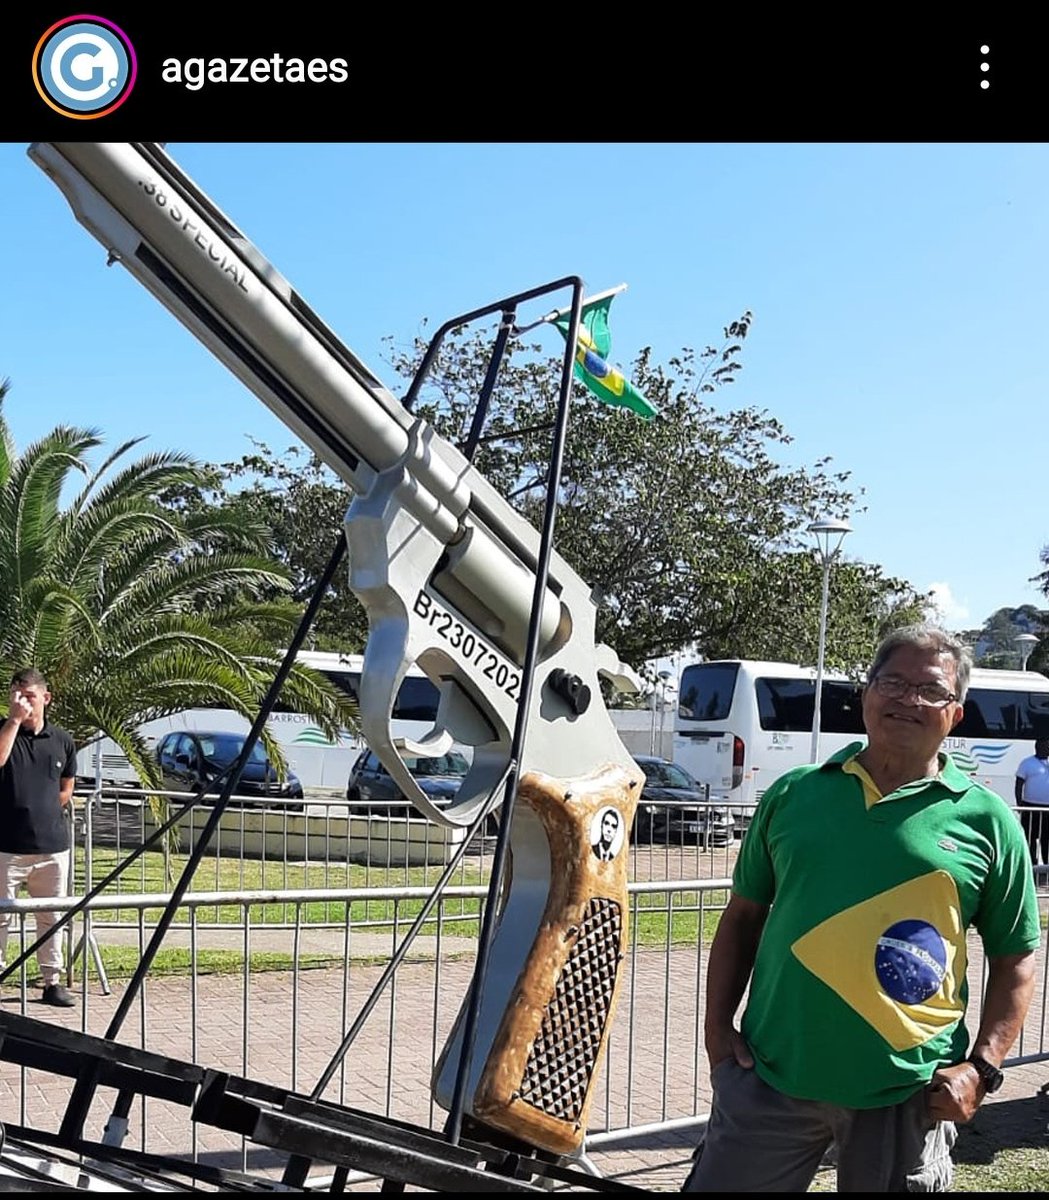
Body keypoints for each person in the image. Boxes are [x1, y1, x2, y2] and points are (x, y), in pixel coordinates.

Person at [684, 625, 1040, 1193]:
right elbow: (744, 916)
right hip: (770, 1076)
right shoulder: (795, 793)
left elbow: (1016, 956)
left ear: (957, 713)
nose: (907, 700)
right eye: (892, 682)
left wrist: (982, 1068)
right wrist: (716, 1034)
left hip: (909, 1093)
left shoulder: (987, 820)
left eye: (929, 691)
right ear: (867, 692)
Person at [0, 668, 78, 1007]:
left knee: (50, 915)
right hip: (6, 846)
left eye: (28, 696)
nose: (22, 702)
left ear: (45, 698)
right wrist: (13, 722)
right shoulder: (4, 731)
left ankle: (52, 981)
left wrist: (43, 812)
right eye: (15, 695)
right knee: (0, 916)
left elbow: (66, 788)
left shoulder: (62, 740)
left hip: (51, 848)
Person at [1014, 738, 1049, 869]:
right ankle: (1032, 866)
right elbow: (1019, 784)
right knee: (1031, 838)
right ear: (1038, 747)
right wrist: (1019, 804)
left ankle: (1046, 867)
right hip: (1030, 807)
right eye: (1046, 746)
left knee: (1046, 840)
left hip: (1047, 809)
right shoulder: (1027, 763)